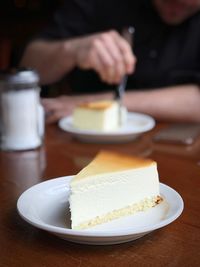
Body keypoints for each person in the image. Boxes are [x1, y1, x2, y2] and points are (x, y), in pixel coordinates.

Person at [20, 0, 200, 123]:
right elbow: (28, 66)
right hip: (80, 141)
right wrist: (72, 49)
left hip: (179, 144)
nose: (174, 8)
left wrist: (95, 104)